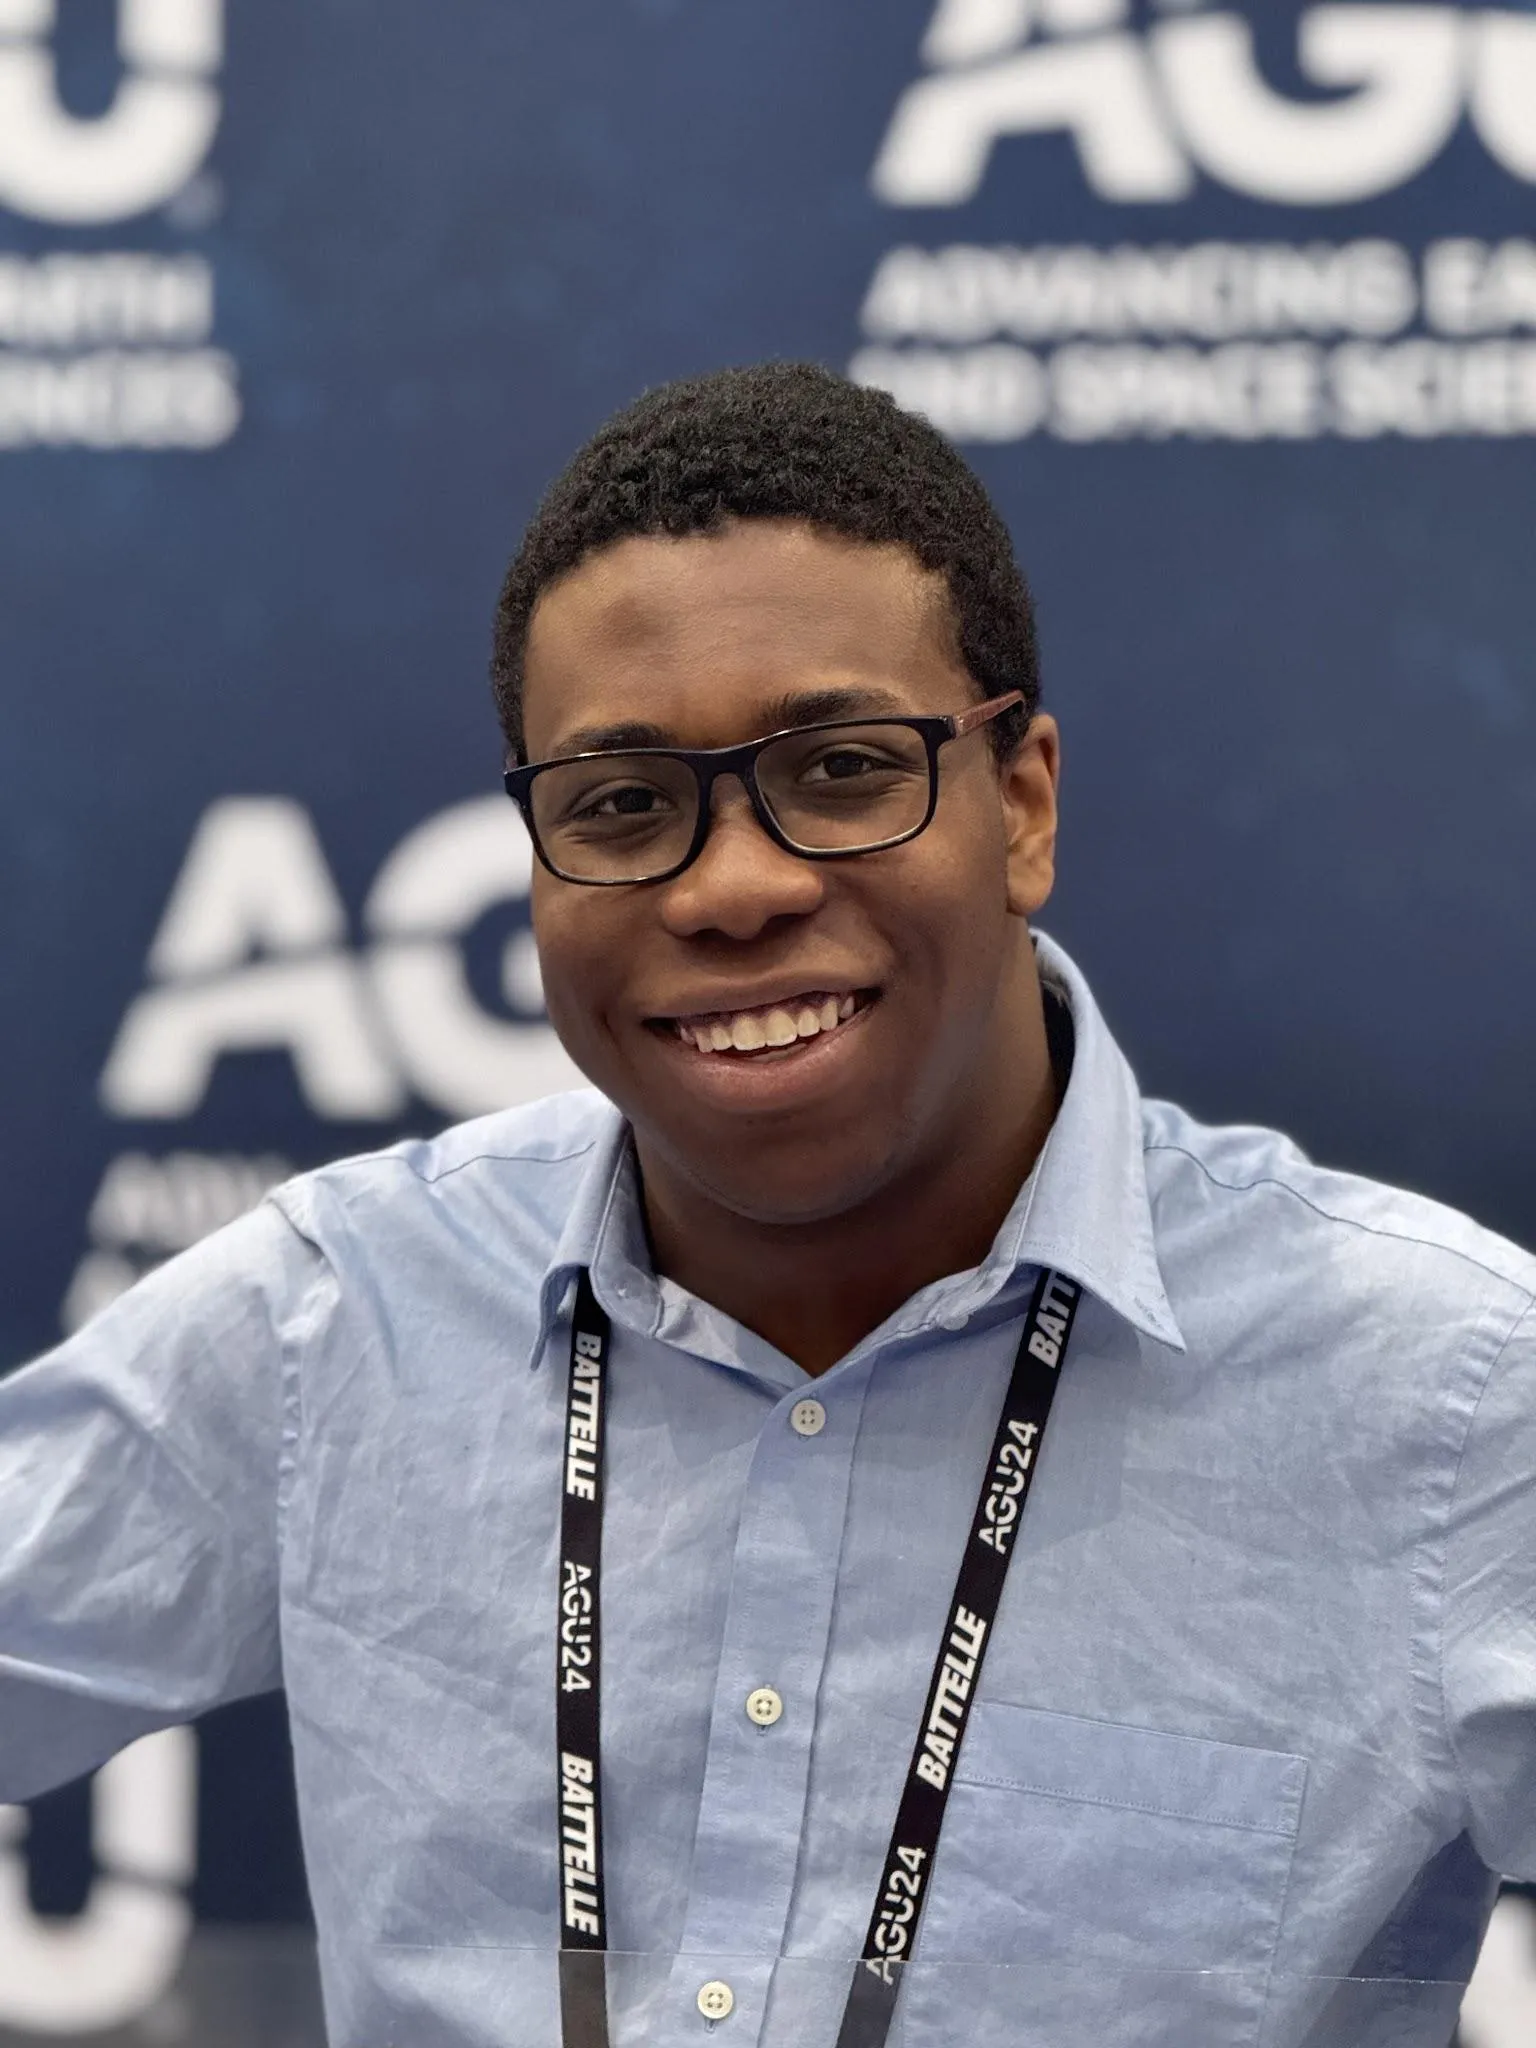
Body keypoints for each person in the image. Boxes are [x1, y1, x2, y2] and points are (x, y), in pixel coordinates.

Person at [2, 361, 1534, 2048]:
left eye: (844, 769)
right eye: (622, 805)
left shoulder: (1449, 1399)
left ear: (1022, 805)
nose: (733, 887)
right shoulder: (339, 1318)